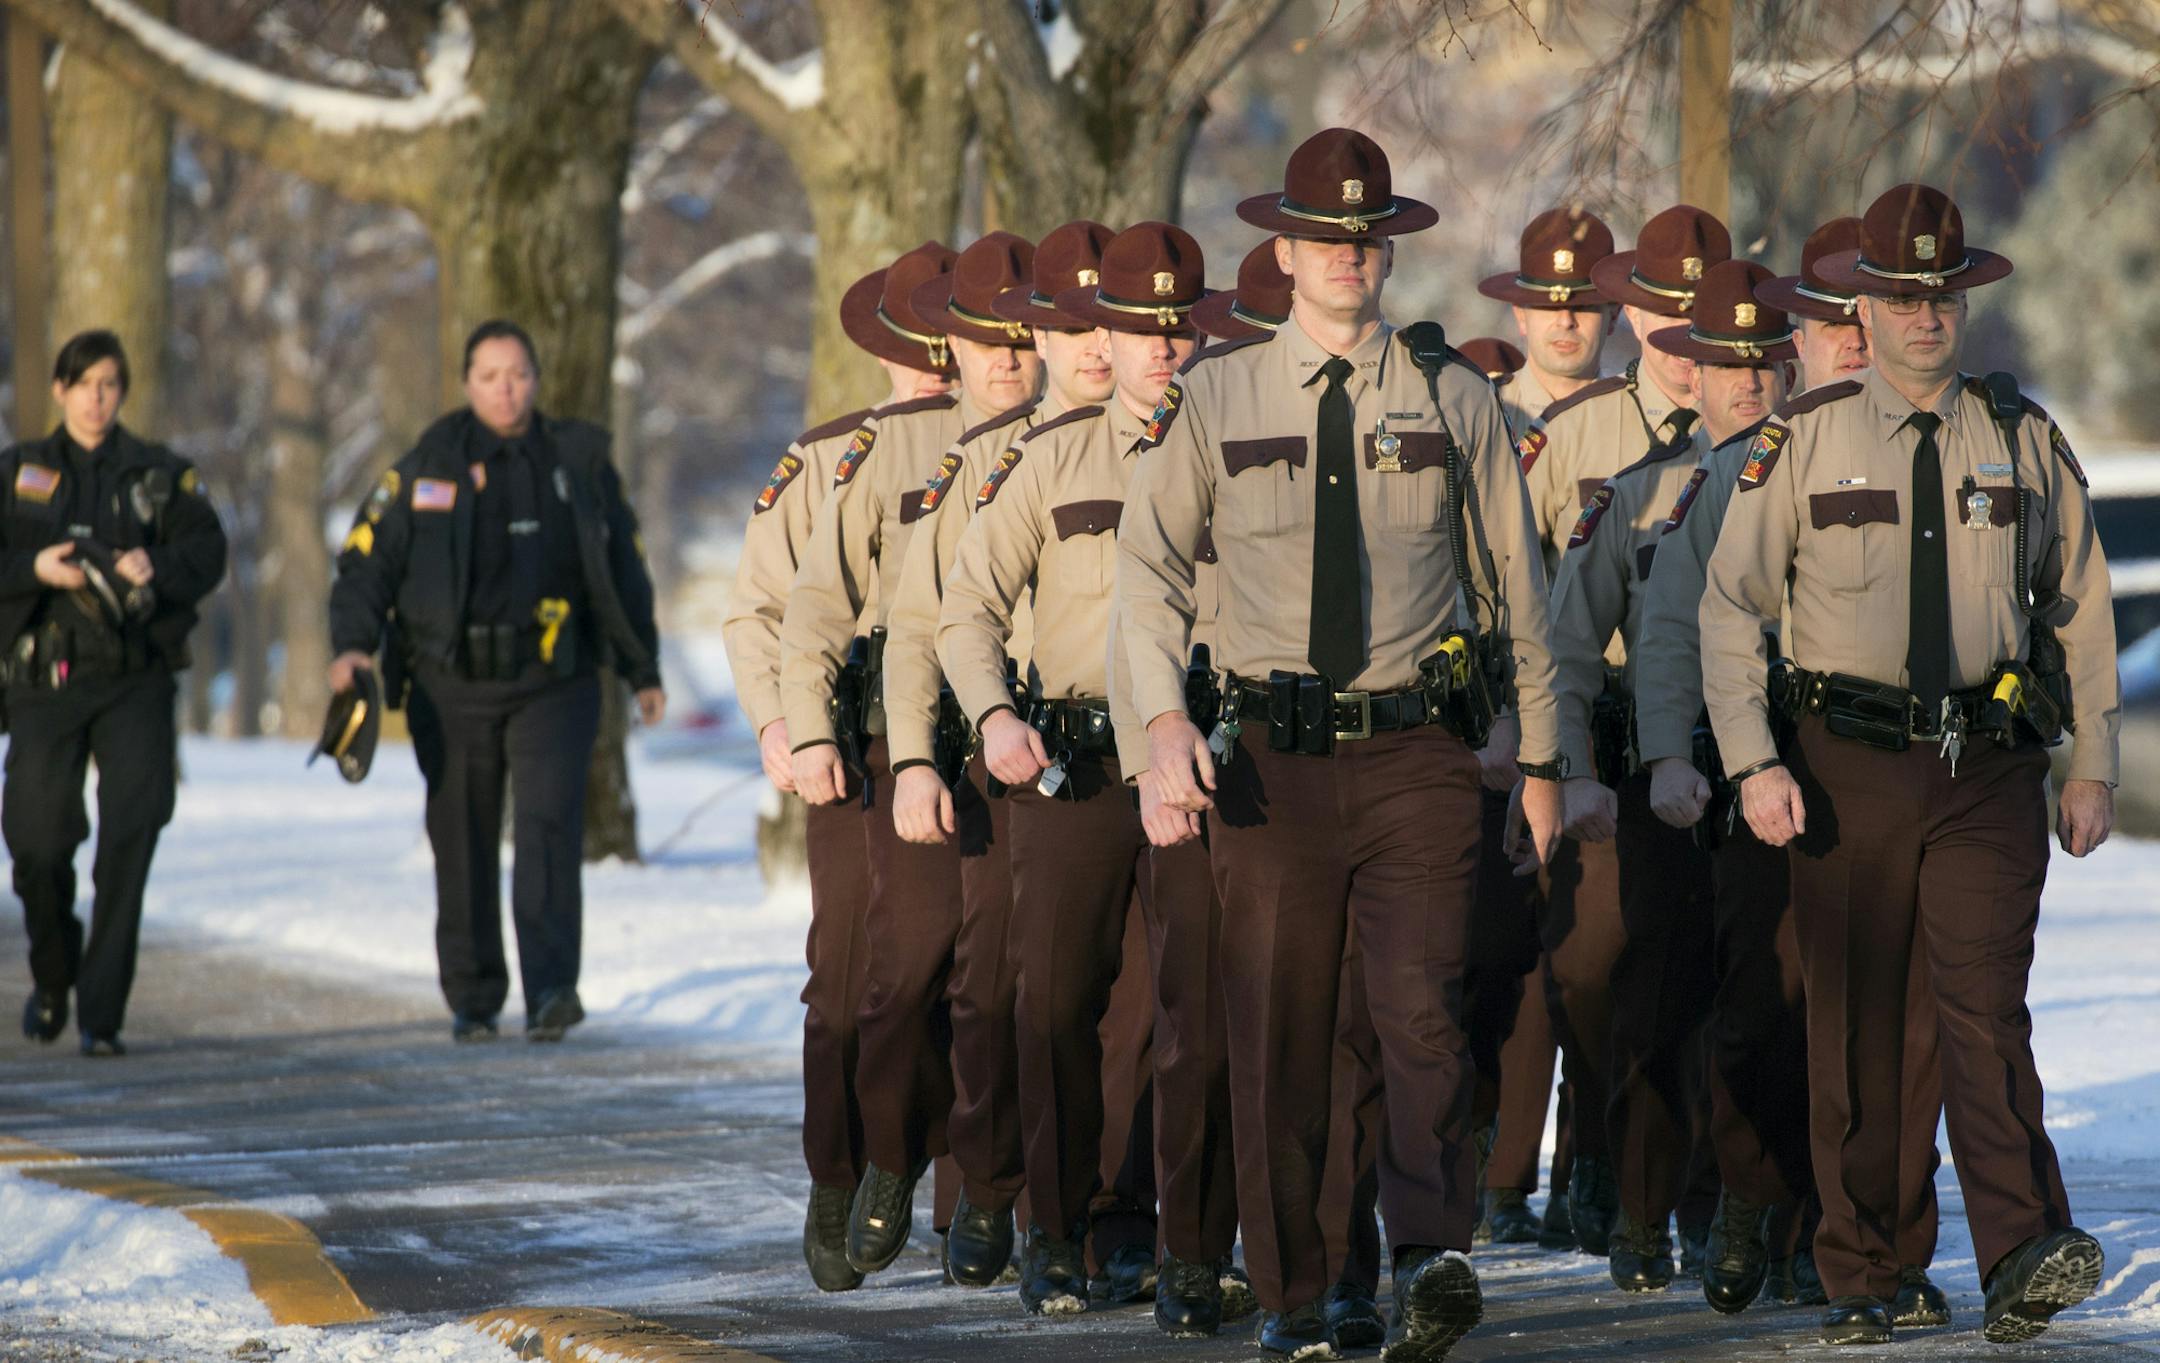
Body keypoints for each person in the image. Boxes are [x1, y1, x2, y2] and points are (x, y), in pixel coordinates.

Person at [1117, 128, 1567, 1361]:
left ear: (1386, 253)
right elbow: (1147, 575)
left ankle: (1429, 1253)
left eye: (1365, 241)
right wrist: (1160, 724)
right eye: (1325, 238)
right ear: (1287, 249)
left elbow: (1522, 591)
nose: (1346, 259)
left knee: (1420, 1009)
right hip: (1270, 762)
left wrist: (1539, 763)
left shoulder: (1452, 398)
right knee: (1283, 1032)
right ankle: (1306, 1291)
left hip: (1419, 748)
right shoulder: (1215, 398)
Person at [1700, 183, 2116, 1346]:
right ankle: (1864, 1267)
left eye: (1942, 294)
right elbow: (1730, 609)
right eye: (1902, 295)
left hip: (1985, 764)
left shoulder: (2022, 437)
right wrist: (1751, 762)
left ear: (1962, 301)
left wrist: (2093, 763)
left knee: (1983, 1010)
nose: (1926, 315)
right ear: (1865, 306)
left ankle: (2024, 1245)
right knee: (1860, 1024)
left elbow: (2079, 607)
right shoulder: (1804, 439)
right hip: (1848, 765)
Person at [938, 221, 1237, 1331]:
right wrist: (995, 715)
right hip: (1072, 766)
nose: (1160, 347)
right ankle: (1055, 1233)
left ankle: (1184, 1244)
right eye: (1138, 327)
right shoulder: (1050, 460)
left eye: (1177, 327)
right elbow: (965, 609)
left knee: (1195, 1012)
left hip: (1201, 762)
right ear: (1102, 334)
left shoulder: (1239, 452)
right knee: (1055, 1004)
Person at [879, 221, 1161, 1293]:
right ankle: (994, 1186)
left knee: (1137, 1002)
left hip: (1150, 760)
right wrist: (917, 757)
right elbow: (924, 623)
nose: (1097, 345)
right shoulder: (994, 461)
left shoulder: (1181, 436)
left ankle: (1105, 1216)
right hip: (1021, 761)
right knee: (1007, 988)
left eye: (1115, 323)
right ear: (1039, 333)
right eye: (1074, 324)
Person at [780, 234, 1044, 1278]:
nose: (1007, 358)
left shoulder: (1082, 436)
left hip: (1046, 742)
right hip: (918, 736)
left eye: (1028, 338)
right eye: (987, 339)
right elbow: (805, 608)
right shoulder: (888, 450)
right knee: (898, 974)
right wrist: (801, 729)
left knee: (1012, 984)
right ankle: (874, 1159)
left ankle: (985, 1193)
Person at [1545, 260, 1791, 1297]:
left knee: (1773, 996)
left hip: (1789, 769)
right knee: (1656, 992)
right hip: (1668, 770)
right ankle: (1646, 1207)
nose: (1745, 383)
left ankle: (1750, 1210)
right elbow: (1565, 640)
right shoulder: (1641, 492)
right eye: (1723, 363)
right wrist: (1571, 769)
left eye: (1763, 362)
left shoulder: (1817, 480)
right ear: (1689, 369)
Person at [720, 244, 955, 1292]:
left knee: (952, 966)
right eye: (924, 346)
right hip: (855, 747)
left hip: (976, 734)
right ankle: (837, 1167)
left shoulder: (1021, 444)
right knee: (850, 971)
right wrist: (782, 723)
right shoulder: (827, 460)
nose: (941, 364)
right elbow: (758, 610)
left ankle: (924, 1166)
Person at [327, 320, 663, 1045]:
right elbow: (364, 564)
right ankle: (474, 996)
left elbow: (624, 568)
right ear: (467, 383)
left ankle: (551, 991)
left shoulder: (579, 458)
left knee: (547, 831)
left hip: (555, 680)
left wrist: (644, 668)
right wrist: (352, 649)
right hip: (451, 685)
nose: (505, 389)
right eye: (489, 376)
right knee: (463, 838)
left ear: (536, 379)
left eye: (517, 374)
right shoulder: (427, 465)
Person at [1509, 202, 1731, 1261]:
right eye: (1662, 307)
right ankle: (1599, 1148)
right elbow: (1521, 598)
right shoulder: (1575, 436)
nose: (1685, 333)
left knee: (1721, 970)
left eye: (1704, 309)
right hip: (1599, 732)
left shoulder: (1761, 433)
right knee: (1595, 967)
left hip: (1730, 737)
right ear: (1630, 311)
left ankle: (1692, 1188)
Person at [1465, 205, 1624, 1251]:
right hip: (1505, 711)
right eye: (1547, 301)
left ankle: (1592, 1171)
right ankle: (1498, 1169)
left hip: (1618, 707)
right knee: (1514, 950)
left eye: (1583, 302)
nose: (1564, 322)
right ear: (1518, 306)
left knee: (1604, 960)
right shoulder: (1478, 419)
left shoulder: (1652, 422)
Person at [2, 330, 227, 1057]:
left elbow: (209, 549)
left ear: (122, 391)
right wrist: (37, 566)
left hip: (133, 678)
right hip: (46, 679)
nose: (97, 398)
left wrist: (152, 564)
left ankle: (102, 1013)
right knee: (37, 842)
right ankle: (54, 965)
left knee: (130, 835)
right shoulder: (18, 472)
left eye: (109, 383)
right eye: (84, 383)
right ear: (59, 390)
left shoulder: (158, 474)